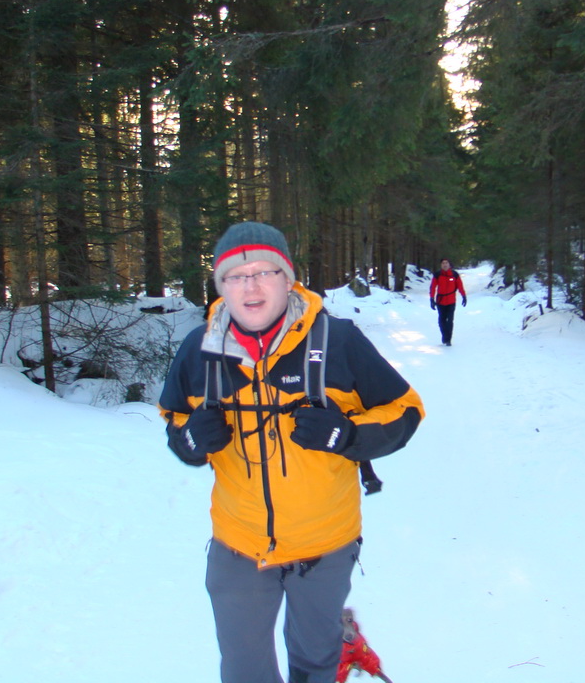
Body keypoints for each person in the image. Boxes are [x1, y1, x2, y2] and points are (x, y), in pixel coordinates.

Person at [159, 221, 425, 683]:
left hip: (325, 545)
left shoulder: (337, 341)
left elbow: (405, 412)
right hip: (237, 546)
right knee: (243, 671)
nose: (251, 286)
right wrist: (190, 441)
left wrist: (345, 435)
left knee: (314, 663)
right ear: (221, 286)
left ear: (288, 278)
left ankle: (334, 648)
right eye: (235, 276)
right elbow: (173, 419)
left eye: (264, 271)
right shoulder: (199, 349)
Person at [429, 258, 466, 346]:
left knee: (450, 321)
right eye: (443, 263)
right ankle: (444, 336)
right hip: (440, 302)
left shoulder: (454, 275)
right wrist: (431, 299)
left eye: (446, 263)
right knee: (441, 320)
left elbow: (460, 286)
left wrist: (464, 296)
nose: (445, 265)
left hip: (451, 301)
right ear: (441, 265)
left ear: (449, 265)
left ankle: (448, 339)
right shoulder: (437, 275)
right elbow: (433, 287)